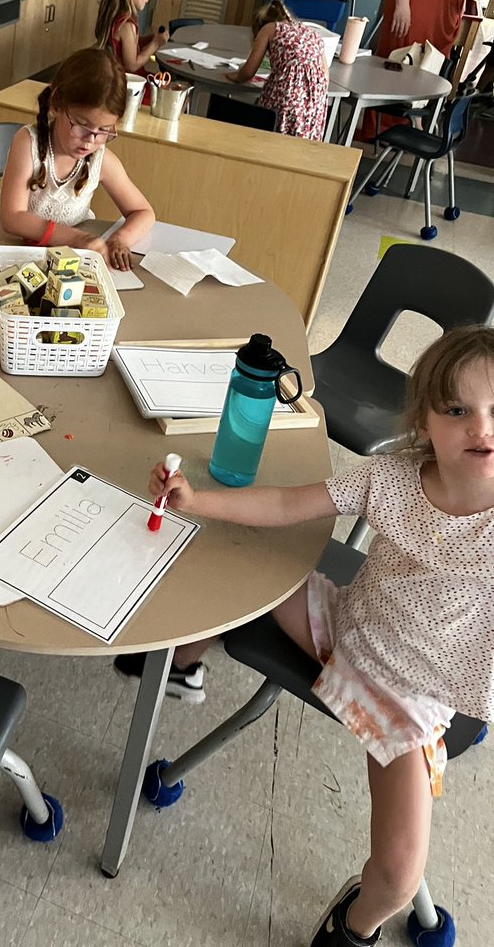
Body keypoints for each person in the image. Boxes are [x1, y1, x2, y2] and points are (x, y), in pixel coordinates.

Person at [141, 324, 494, 947]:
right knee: (237, 562)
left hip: (407, 702)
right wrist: (196, 501)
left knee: (398, 877)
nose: (481, 428)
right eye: (458, 409)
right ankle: (185, 664)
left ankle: (353, 928)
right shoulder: (391, 480)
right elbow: (282, 509)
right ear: (424, 424)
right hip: (343, 627)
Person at [0, 47, 155, 271]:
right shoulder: (27, 144)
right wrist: (77, 239)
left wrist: (120, 239)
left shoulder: (102, 161)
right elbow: (13, 218)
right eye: (81, 125)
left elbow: (144, 212)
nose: (90, 141)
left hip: (59, 258)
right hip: (3, 249)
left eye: (104, 131)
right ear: (57, 103)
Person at [226, 0, 329, 140]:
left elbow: (248, 72)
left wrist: (236, 76)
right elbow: (325, 76)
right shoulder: (312, 33)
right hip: (315, 101)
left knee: (272, 136)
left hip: (287, 96)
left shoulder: (269, 29)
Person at [94, 0, 169, 75]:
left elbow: (127, 46)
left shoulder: (119, 17)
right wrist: (155, 44)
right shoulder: (126, 25)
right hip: (130, 83)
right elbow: (132, 65)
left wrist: (149, 39)